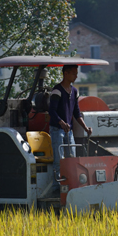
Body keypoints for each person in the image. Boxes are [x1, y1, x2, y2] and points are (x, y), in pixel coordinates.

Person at [48, 64, 92, 192]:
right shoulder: (57, 90)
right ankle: (57, 189)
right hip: (57, 130)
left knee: (72, 159)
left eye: (76, 73)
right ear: (65, 74)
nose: (76, 76)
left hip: (69, 132)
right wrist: (62, 123)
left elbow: (76, 113)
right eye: (73, 73)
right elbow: (52, 111)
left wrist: (86, 128)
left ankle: (71, 186)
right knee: (59, 160)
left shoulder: (75, 92)